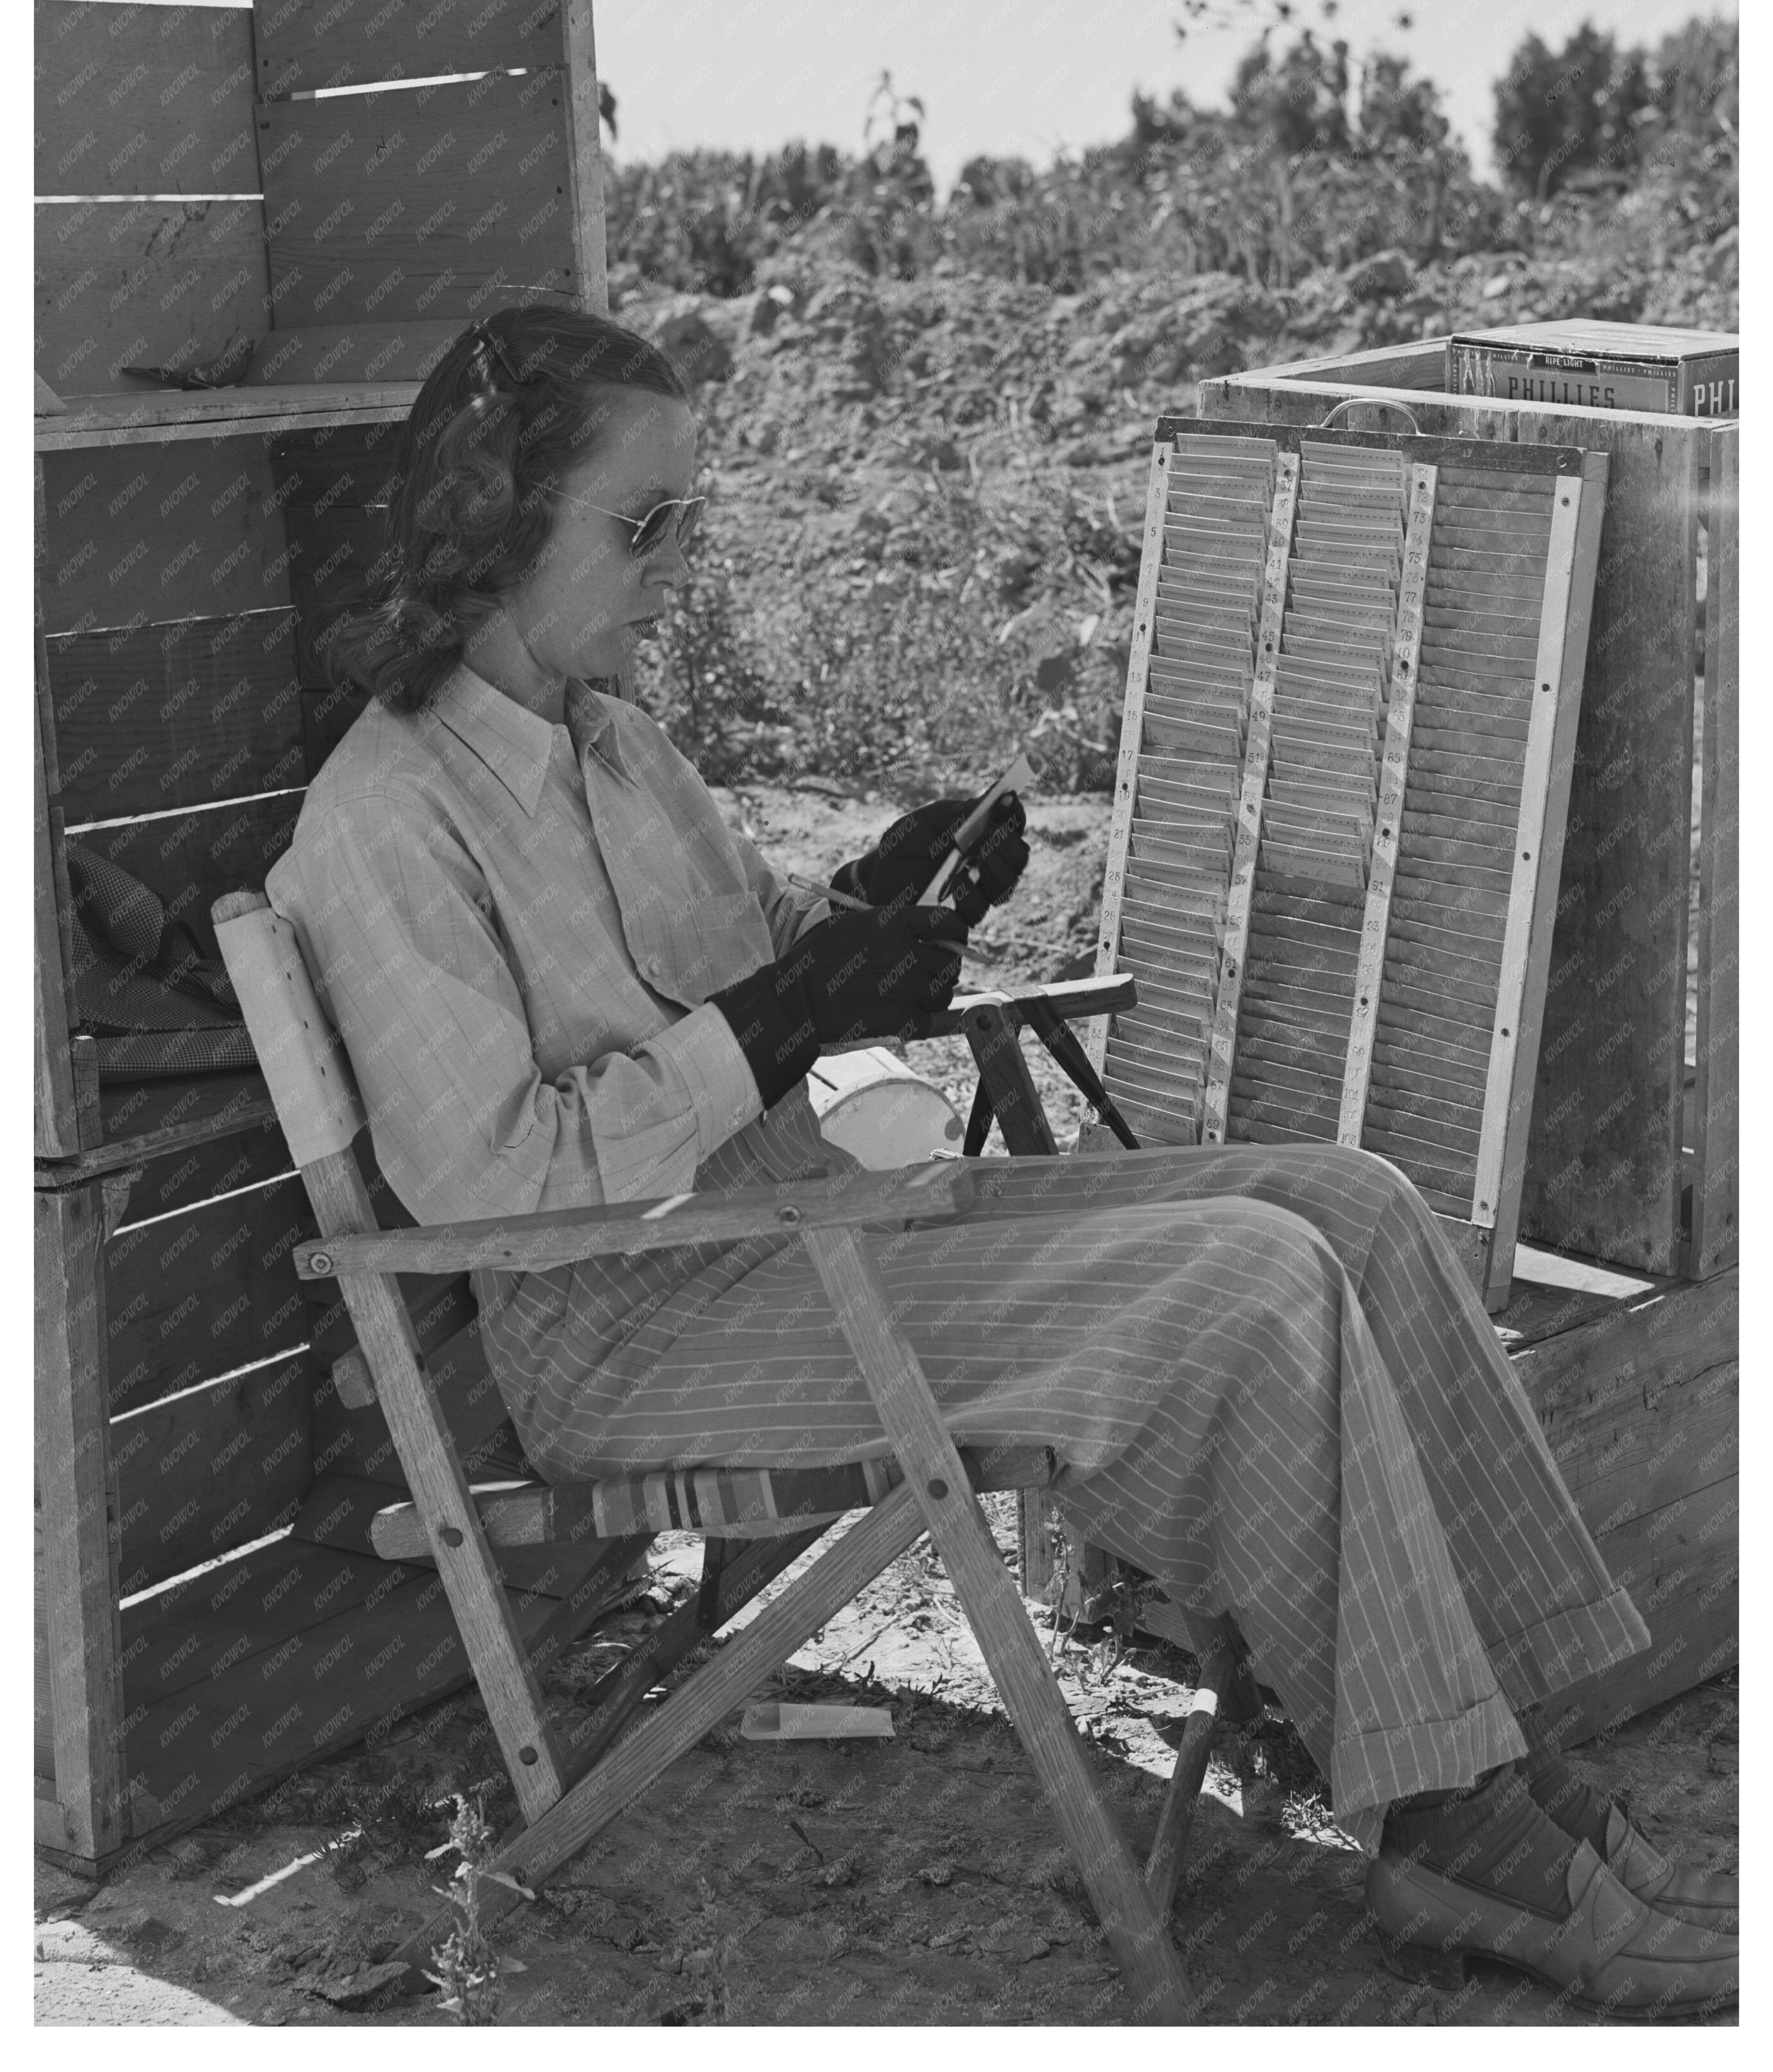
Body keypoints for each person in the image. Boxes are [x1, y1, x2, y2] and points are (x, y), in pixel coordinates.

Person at [267, 303, 1736, 2015]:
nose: (679, 565)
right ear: (499, 520)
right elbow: (495, 1182)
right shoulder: (384, 823)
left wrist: (881, 911)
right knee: (1250, 1285)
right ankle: (1449, 1824)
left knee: (1350, 1204)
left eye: (690, 520)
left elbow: (758, 953)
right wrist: (788, 1015)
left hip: (805, 1235)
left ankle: (1494, 1744)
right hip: (638, 1330)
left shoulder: (614, 742)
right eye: (643, 524)